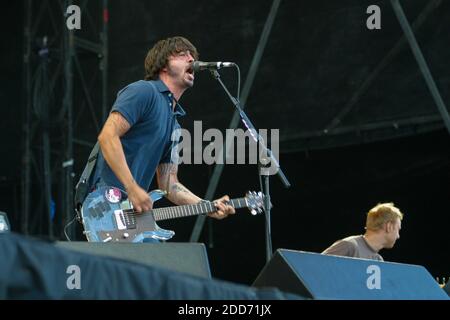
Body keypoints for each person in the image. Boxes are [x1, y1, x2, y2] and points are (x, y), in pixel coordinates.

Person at [90, 36, 235, 221]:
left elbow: (169, 184)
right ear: (163, 65)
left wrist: (207, 206)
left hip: (130, 214)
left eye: (192, 55)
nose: (191, 59)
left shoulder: (174, 123)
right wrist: (132, 188)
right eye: (182, 55)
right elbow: (107, 137)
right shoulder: (144, 91)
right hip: (105, 205)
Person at [322, 203, 403, 261]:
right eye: (398, 229)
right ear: (389, 226)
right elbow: (314, 268)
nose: (398, 236)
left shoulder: (378, 260)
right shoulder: (349, 245)